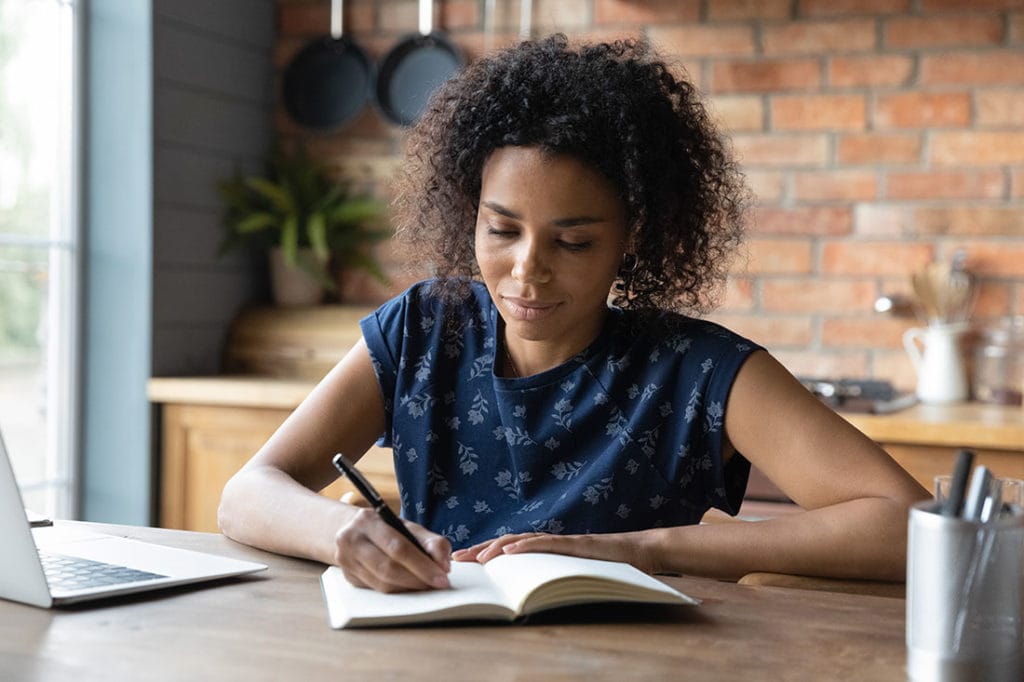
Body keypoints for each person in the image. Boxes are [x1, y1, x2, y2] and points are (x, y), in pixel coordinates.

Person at [218, 34, 929, 593]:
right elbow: (248, 492)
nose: (527, 268)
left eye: (574, 240)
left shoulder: (697, 372)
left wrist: (643, 549)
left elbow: (909, 526)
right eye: (501, 231)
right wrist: (341, 536)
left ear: (634, 237)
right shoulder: (425, 329)